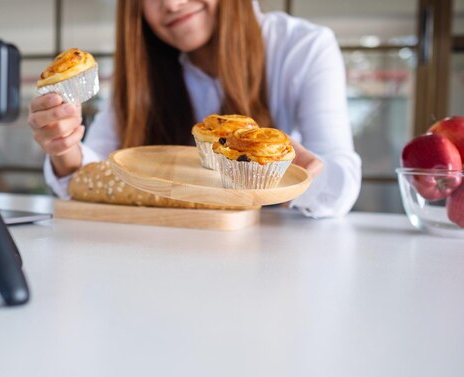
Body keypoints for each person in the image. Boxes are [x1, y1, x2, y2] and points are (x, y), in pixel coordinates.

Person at [28, 0, 362, 218]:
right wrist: (64, 146)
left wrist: (295, 175)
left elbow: (342, 184)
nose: (172, 4)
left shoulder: (303, 47)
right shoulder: (142, 70)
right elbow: (92, 176)